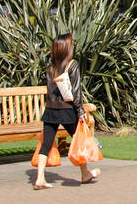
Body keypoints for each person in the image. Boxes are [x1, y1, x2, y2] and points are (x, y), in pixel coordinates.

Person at [33, 32, 100, 189]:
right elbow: (76, 92)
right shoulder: (73, 65)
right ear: (67, 48)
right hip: (67, 110)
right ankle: (84, 174)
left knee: (46, 144)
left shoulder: (51, 68)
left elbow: (50, 91)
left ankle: (40, 178)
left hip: (50, 109)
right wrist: (80, 111)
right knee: (79, 141)